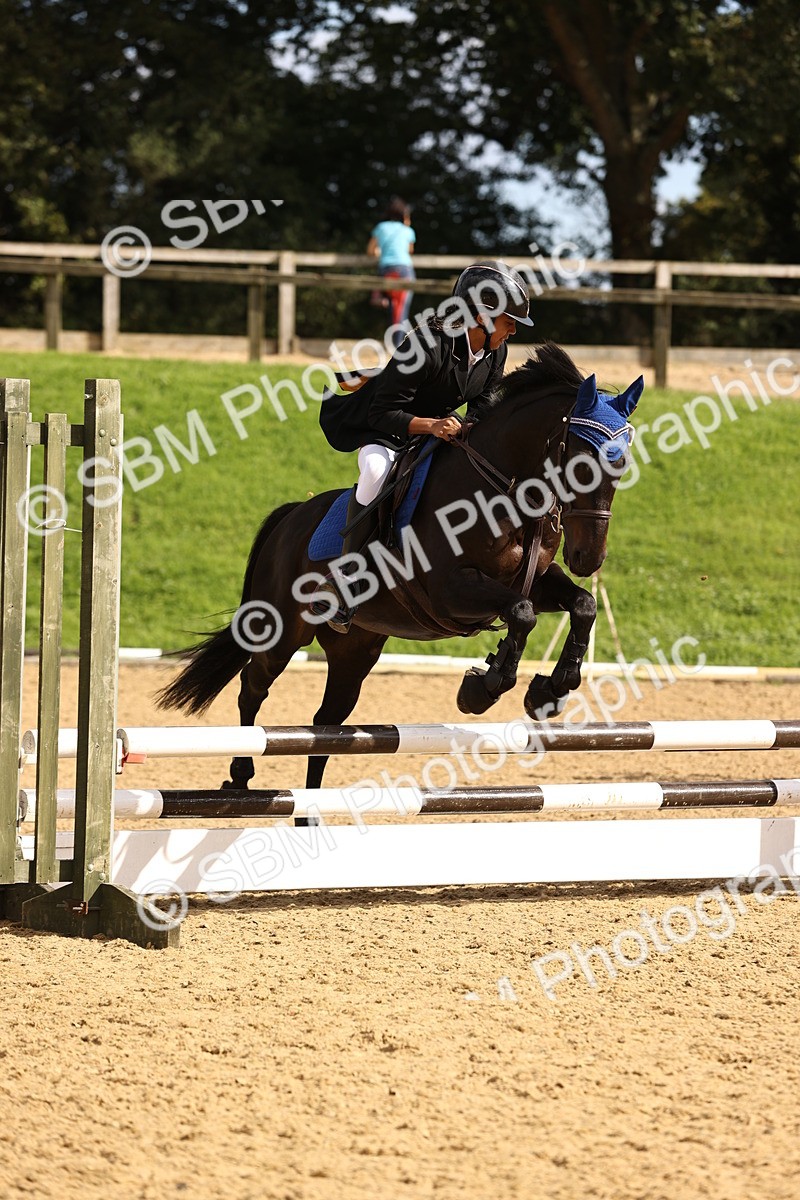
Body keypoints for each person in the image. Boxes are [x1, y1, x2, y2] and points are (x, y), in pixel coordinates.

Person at [318, 260, 534, 631]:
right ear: (481, 316)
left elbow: (482, 407)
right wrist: (432, 425)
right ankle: (345, 579)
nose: (513, 329)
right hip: (386, 429)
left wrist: (473, 430)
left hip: (438, 430)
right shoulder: (425, 344)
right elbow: (382, 412)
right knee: (375, 471)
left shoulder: (495, 352)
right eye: (508, 321)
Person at [367, 197, 416, 347]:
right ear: (404, 215)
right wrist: (407, 224)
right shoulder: (408, 230)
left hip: (386, 270)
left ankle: (382, 299)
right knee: (401, 310)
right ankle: (397, 346)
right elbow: (410, 250)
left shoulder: (381, 227)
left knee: (393, 308)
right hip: (404, 271)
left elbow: (370, 251)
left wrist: (379, 252)